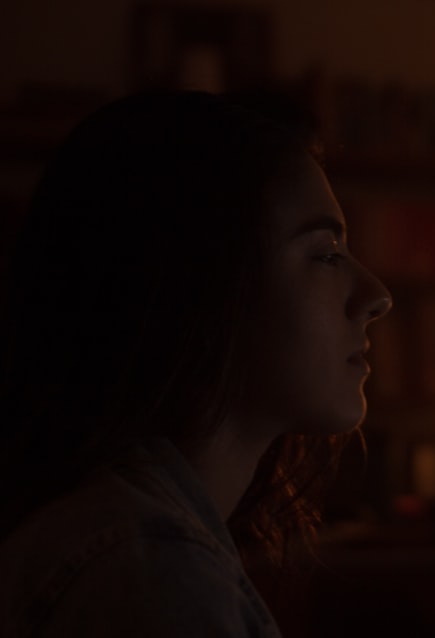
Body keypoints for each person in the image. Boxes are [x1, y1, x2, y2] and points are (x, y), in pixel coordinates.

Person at [0, 90, 391, 637]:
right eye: (325, 252)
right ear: (200, 283)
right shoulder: (147, 575)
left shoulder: (127, 540)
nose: (376, 295)